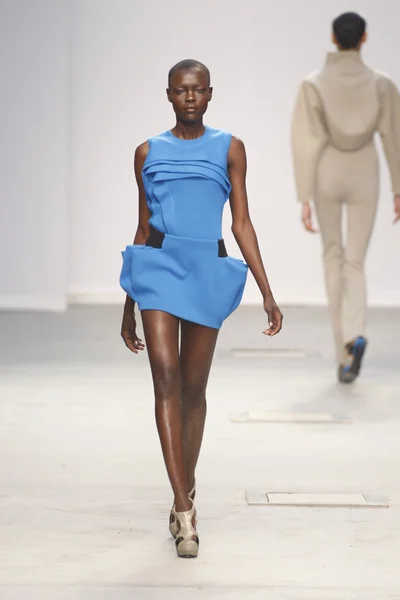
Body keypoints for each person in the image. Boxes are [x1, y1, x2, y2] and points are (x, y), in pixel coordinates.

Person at [119, 59, 283, 558]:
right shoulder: (147, 151)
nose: (189, 98)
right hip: (160, 267)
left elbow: (242, 222)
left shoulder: (230, 148)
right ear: (168, 95)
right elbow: (144, 226)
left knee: (194, 389)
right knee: (165, 377)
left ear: (209, 94)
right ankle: (183, 508)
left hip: (207, 268)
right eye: (180, 91)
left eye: (198, 91)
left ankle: (186, 485)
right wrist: (128, 303)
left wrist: (266, 290)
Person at [291, 12, 400, 383]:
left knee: (332, 257)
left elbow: (304, 141)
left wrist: (304, 195)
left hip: (326, 170)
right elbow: (393, 139)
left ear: (333, 38)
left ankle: (343, 352)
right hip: (364, 170)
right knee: (355, 262)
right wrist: (398, 188)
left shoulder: (314, 84)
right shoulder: (382, 84)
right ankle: (354, 335)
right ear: (364, 38)